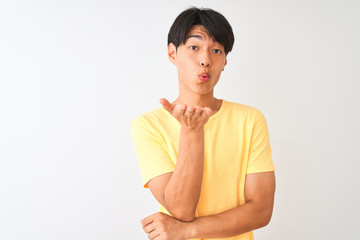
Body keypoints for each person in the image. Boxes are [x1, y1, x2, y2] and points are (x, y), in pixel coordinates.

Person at [131, 7, 275, 240]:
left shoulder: (249, 119)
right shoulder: (148, 125)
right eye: (194, 48)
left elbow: (261, 210)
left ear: (225, 60)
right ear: (172, 53)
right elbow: (181, 209)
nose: (206, 60)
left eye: (216, 50)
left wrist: (187, 230)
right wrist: (191, 131)